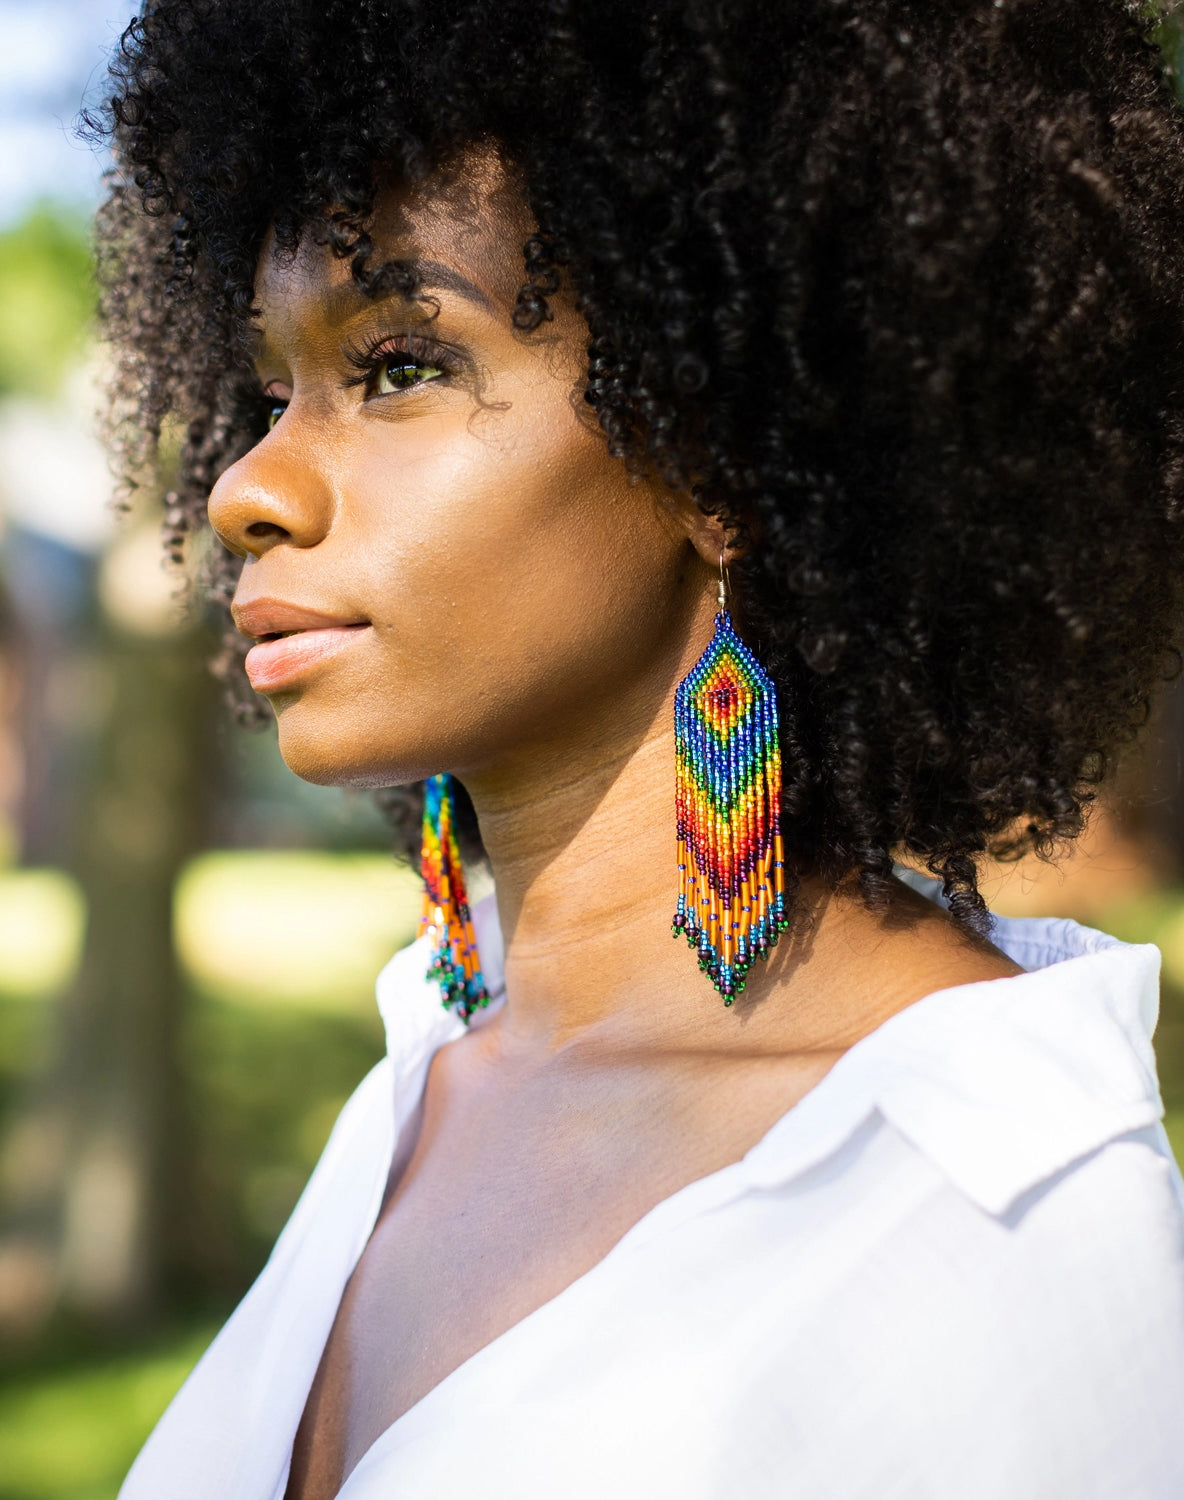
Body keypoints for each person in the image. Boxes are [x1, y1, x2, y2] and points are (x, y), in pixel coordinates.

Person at [94, 1, 1184, 1496]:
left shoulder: (997, 1207)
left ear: (725, 440)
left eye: (401, 361)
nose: (245, 487)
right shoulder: (431, 1068)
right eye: (276, 385)